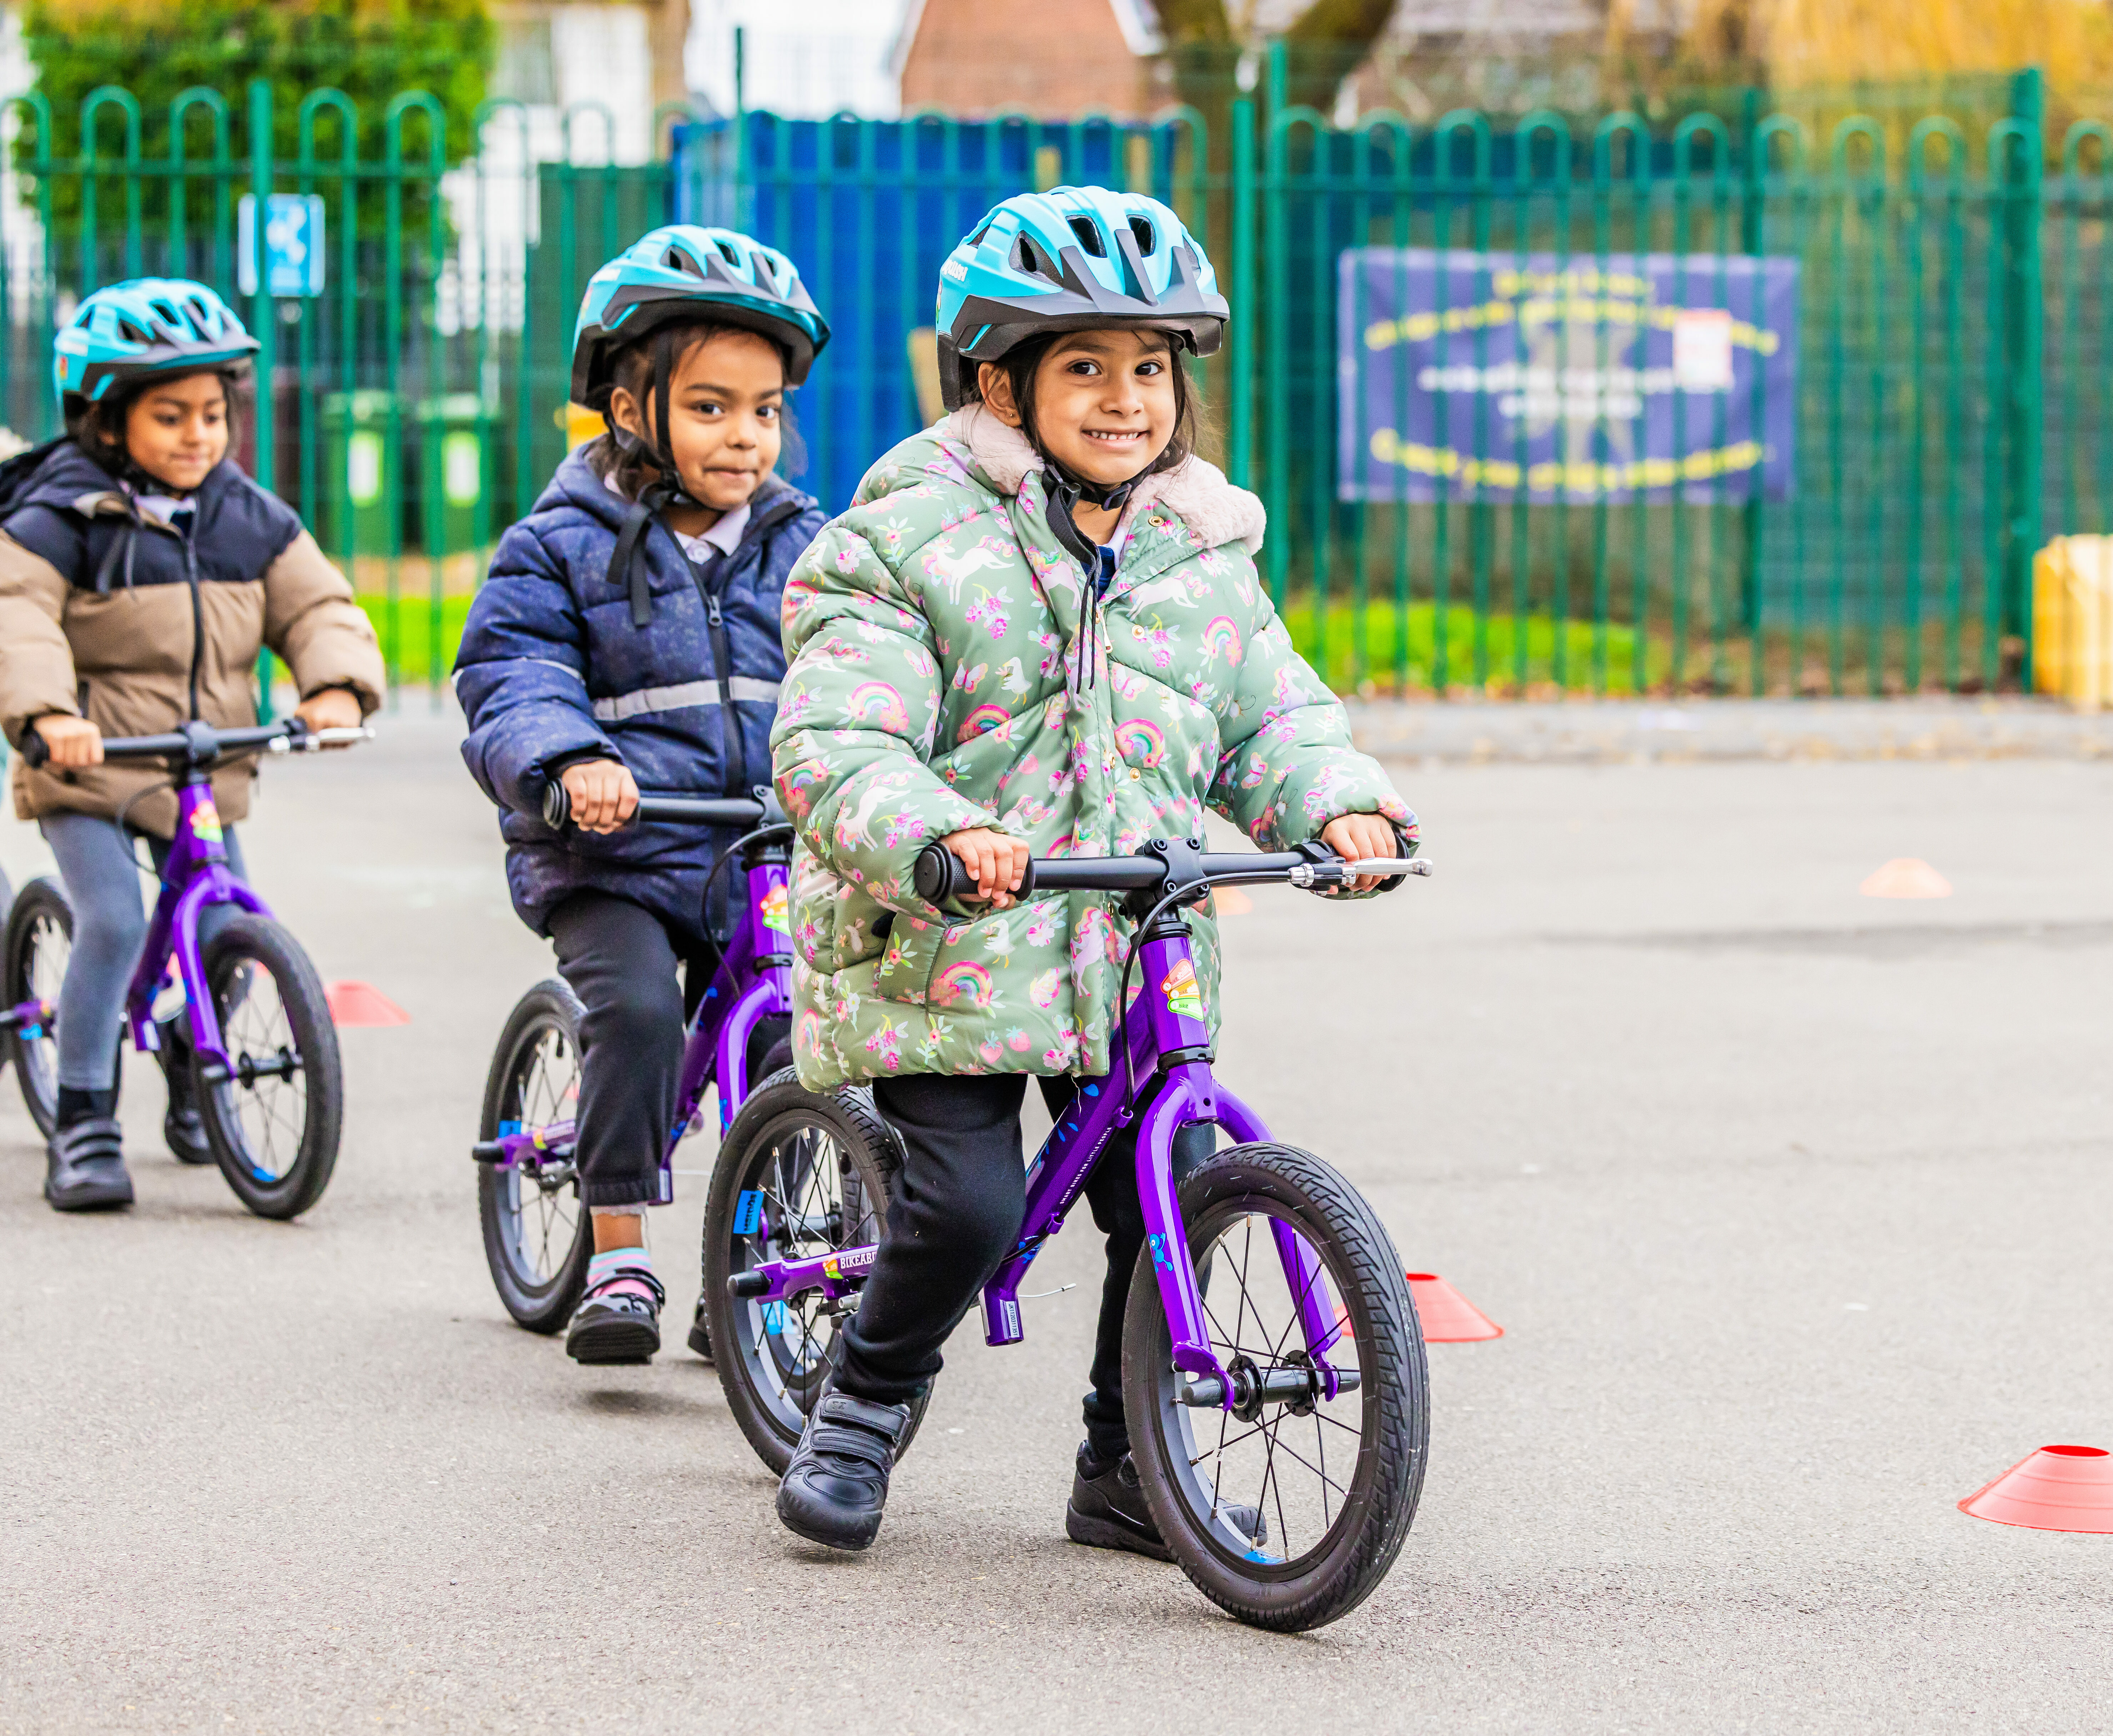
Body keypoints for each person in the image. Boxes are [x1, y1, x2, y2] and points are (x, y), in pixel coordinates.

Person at [768, 186, 1417, 1553]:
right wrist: (935, 835)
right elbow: (839, 738)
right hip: (945, 939)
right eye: (1085, 367)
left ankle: (1127, 1467)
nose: (1126, 399)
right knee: (964, 1204)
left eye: (1149, 369)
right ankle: (860, 1403)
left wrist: (1342, 803)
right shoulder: (900, 542)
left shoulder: (1202, 552)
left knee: (1155, 1191)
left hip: (1128, 938)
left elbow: (1269, 713)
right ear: (999, 382)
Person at [455, 224, 828, 1365]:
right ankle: (618, 1246)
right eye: (711, 406)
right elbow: (510, 673)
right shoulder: (556, 545)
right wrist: (570, 766)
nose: (745, 436)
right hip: (613, 853)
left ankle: (759, 1260)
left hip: (757, 853)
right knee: (638, 1013)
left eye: (764, 409)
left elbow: (871, 675)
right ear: (630, 412)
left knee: (806, 1046)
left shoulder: (810, 545)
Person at [0, 279, 384, 1212]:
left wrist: (333, 684)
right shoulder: (61, 514)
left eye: (213, 414)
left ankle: (192, 1084)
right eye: (169, 415)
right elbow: (19, 619)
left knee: (219, 929)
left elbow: (317, 602)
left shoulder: (244, 513)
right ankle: (86, 1119)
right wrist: (49, 719)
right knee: (119, 922)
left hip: (199, 769)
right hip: (91, 770)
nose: (198, 436)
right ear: (101, 416)